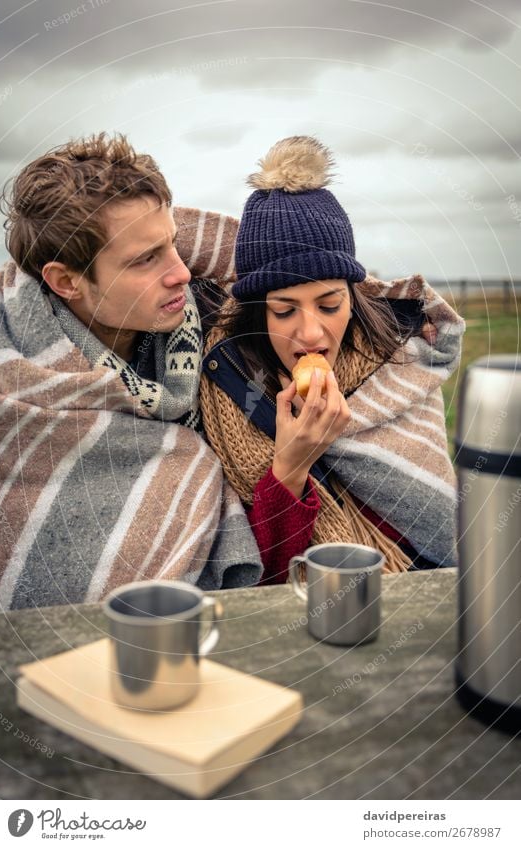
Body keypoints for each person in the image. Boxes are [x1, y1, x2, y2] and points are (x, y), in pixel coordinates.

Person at [0, 133, 262, 611]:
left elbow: (315, 277)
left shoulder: (216, 313)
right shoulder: (5, 377)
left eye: (172, 245)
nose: (181, 272)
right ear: (66, 281)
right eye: (145, 260)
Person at [199, 136, 465, 584]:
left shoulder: (398, 366)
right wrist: (290, 467)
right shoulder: (229, 389)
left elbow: (443, 531)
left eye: (329, 304)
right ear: (258, 312)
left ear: (353, 299)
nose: (310, 333)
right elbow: (259, 579)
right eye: (284, 310)